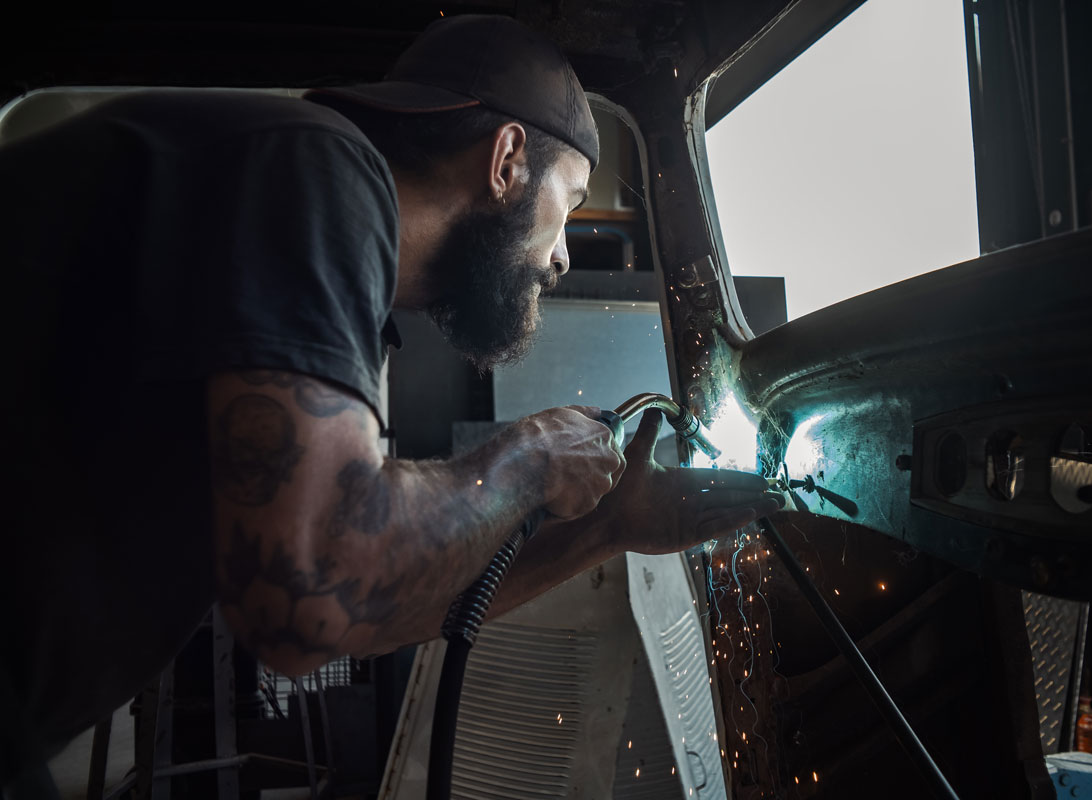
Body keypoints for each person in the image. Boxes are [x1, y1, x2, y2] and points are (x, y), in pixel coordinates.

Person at [0, 13, 783, 792]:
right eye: (570, 204)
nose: (564, 254)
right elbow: (306, 593)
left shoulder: (321, 239)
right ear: (508, 158)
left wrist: (611, 528)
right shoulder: (320, 168)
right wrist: (530, 456)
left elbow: (365, 602)